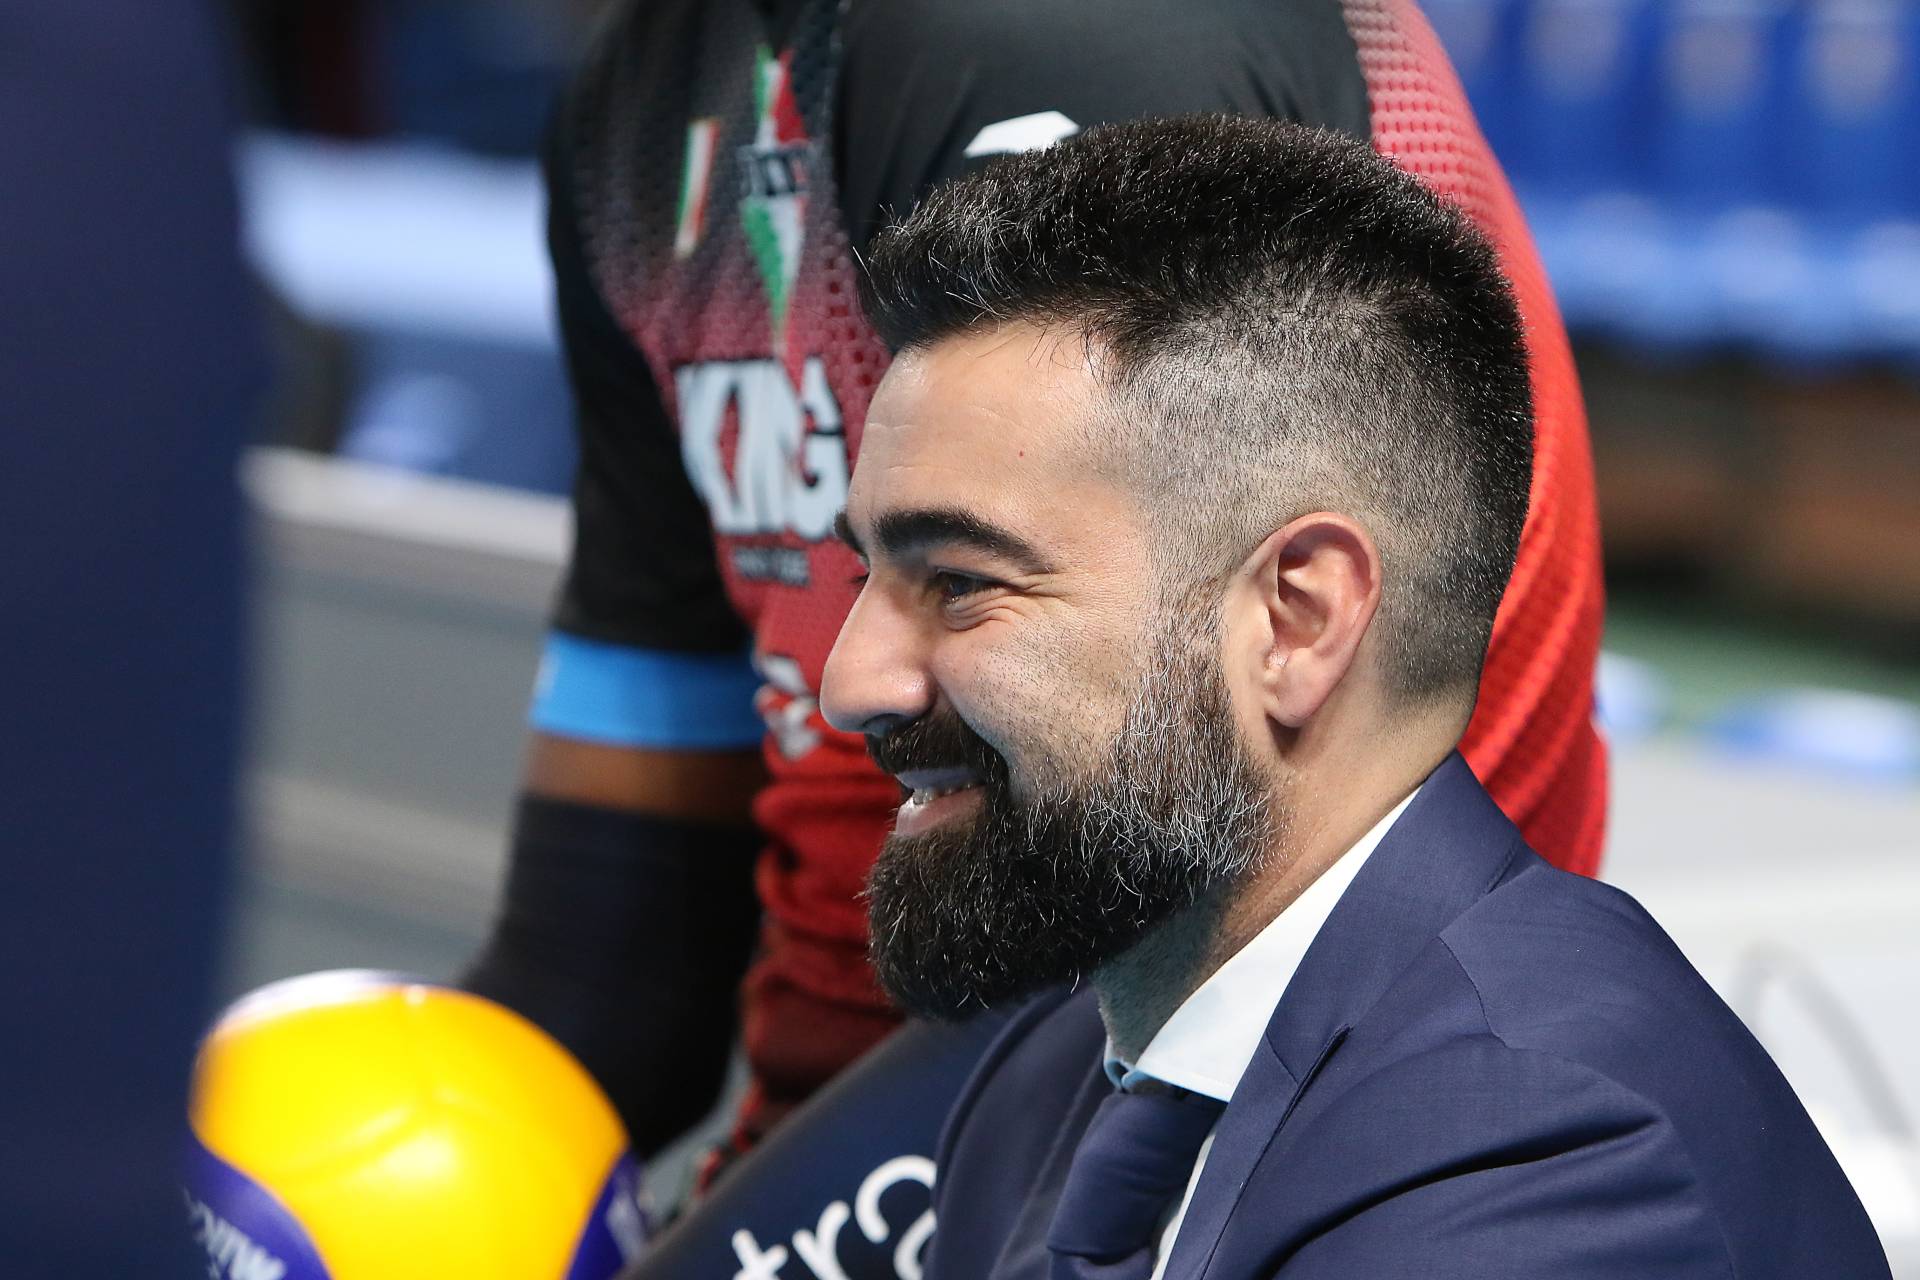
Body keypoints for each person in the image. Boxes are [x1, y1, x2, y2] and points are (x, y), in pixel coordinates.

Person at [465, 0, 1606, 1183]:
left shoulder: (1066, 30)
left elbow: (1119, 880)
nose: (846, 681)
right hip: (910, 1088)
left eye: (956, 580)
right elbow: (611, 970)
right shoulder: (637, 99)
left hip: (1274, 1096)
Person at [820, 114, 1888, 1279]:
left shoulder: (1552, 1157)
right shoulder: (1052, 1070)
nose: (848, 683)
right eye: (865, 571)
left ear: (1297, 619)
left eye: (961, 583)